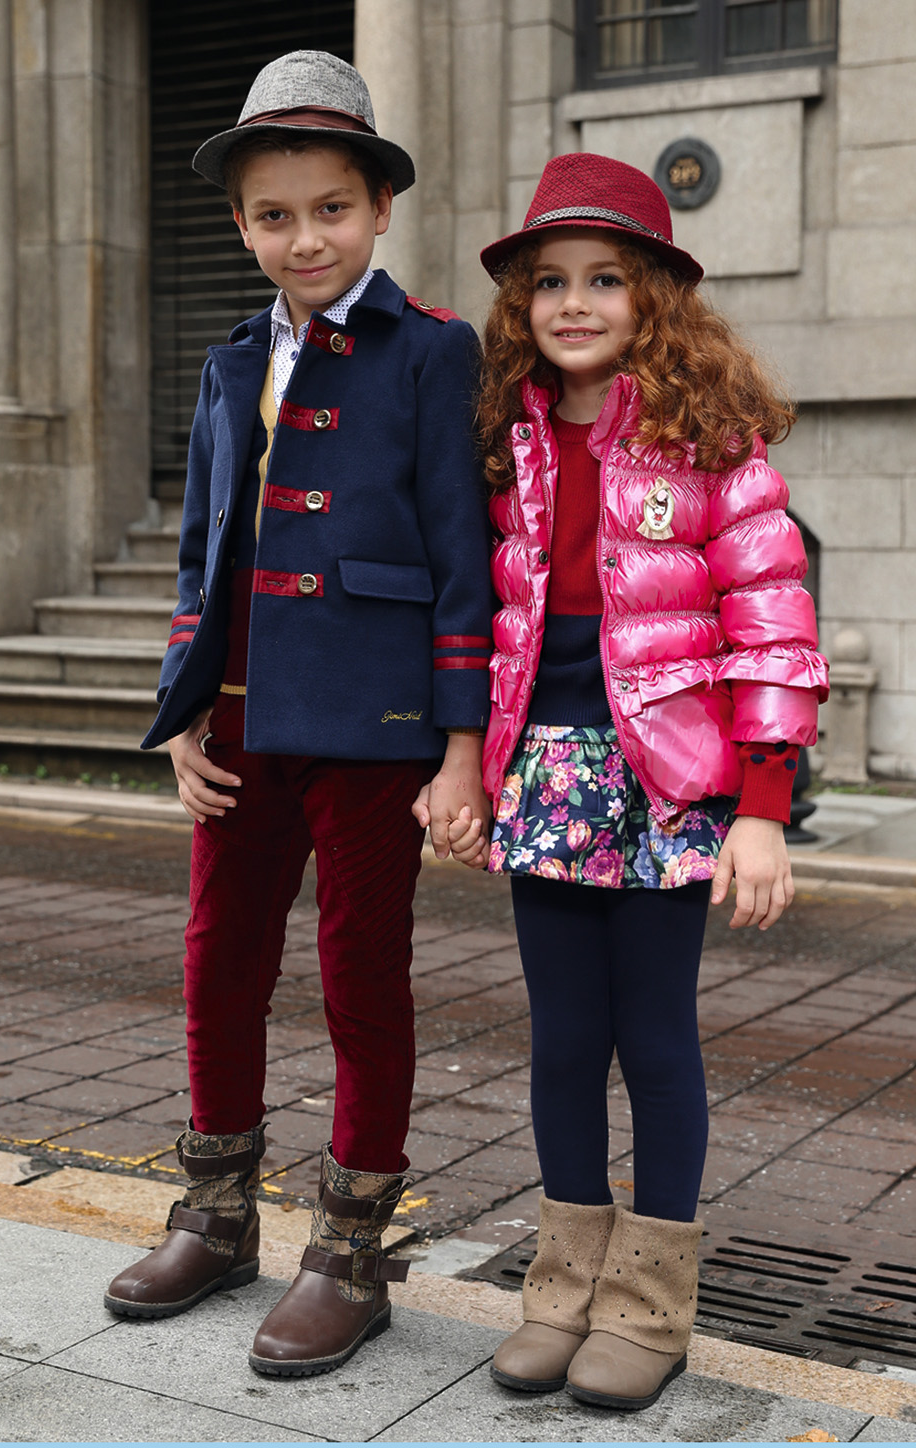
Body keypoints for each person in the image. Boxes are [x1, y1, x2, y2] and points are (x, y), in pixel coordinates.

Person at [103, 50, 492, 1378]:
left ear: (379, 208)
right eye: (275, 215)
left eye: (331, 208)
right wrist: (182, 717)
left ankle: (351, 1251)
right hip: (239, 726)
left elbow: (463, 556)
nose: (305, 237)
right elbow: (201, 557)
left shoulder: (433, 351)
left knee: (359, 976)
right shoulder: (229, 362)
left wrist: (459, 748)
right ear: (240, 224)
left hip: (375, 730)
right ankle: (215, 1217)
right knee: (217, 964)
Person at [449, 152, 828, 1412]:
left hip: (672, 785)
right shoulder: (505, 438)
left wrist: (761, 810)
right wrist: (469, 764)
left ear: (653, 296)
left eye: (604, 278)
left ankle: (651, 1303)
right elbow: (486, 624)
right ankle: (562, 1286)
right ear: (521, 304)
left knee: (653, 1038)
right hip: (547, 772)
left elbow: (772, 626)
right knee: (563, 1038)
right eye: (549, 280)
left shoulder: (710, 441)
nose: (573, 302)